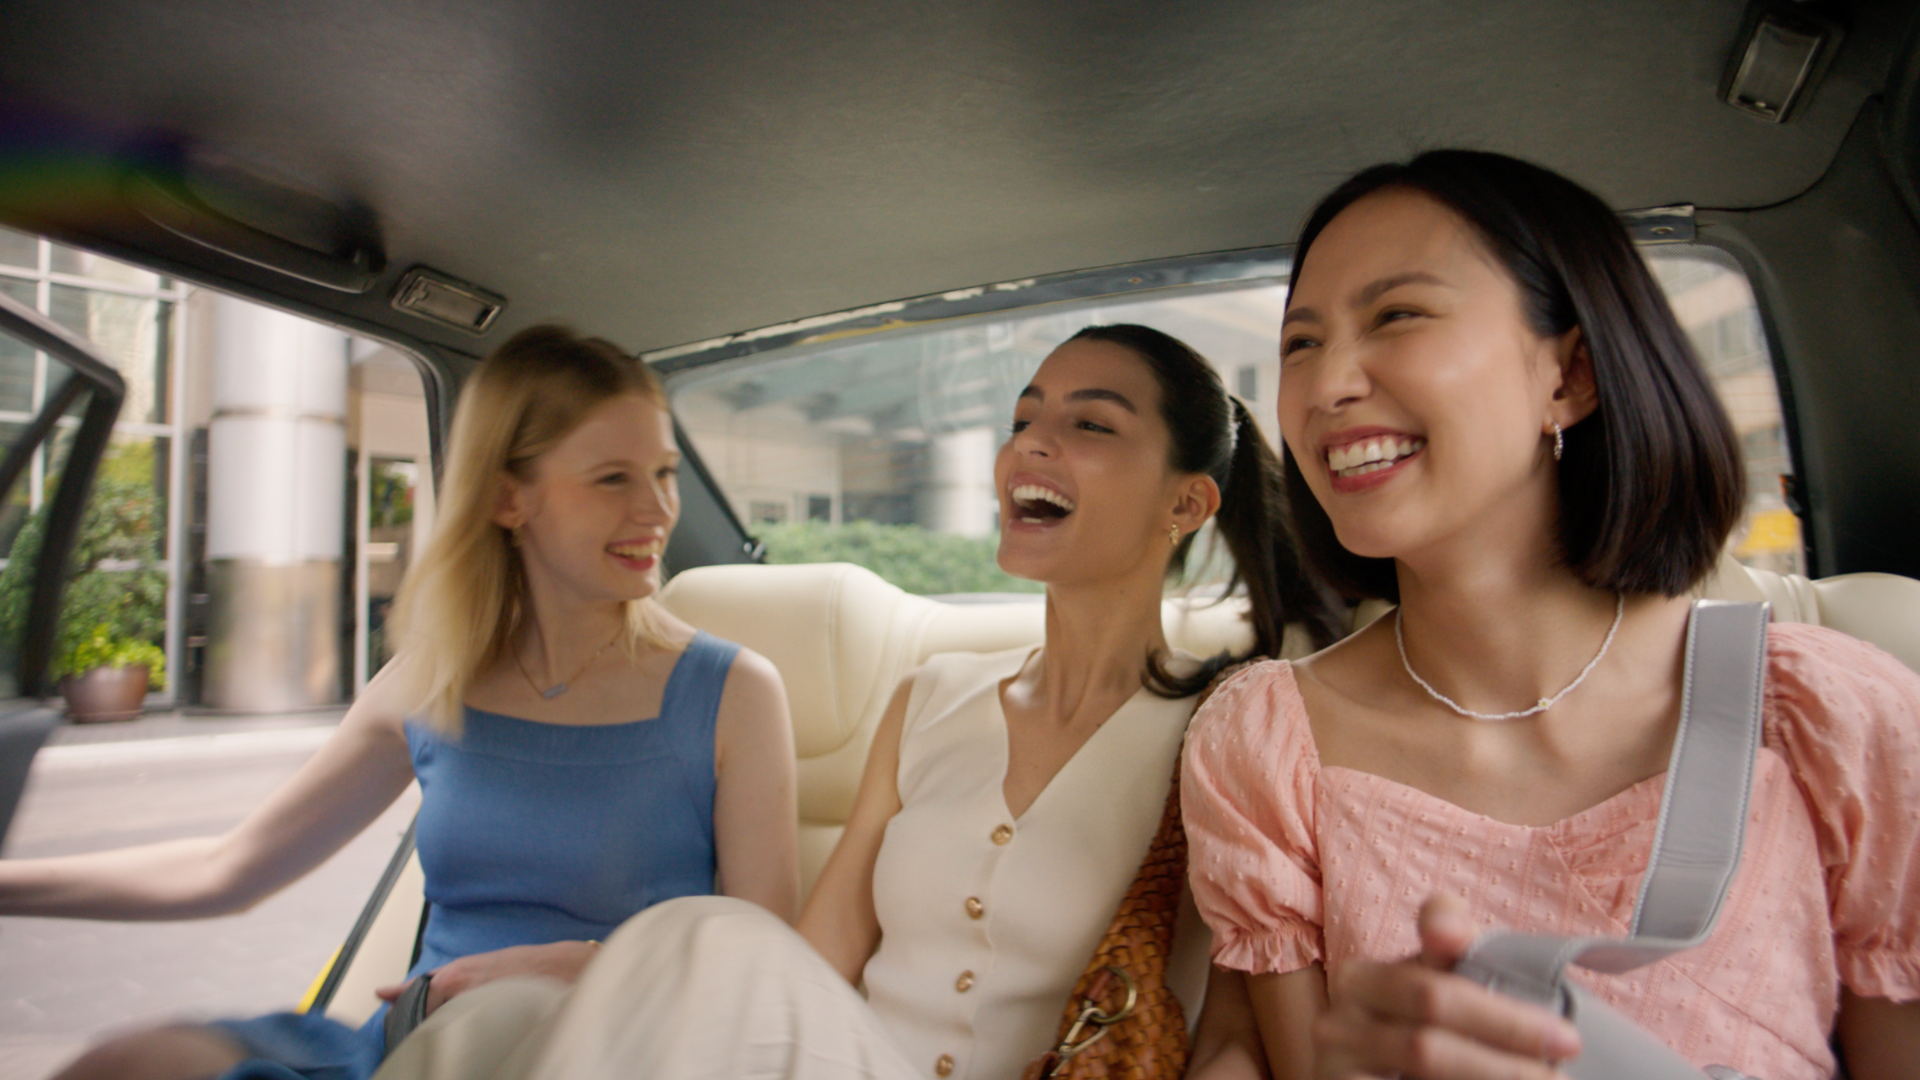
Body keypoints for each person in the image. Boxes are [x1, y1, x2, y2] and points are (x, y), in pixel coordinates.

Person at [365, 323, 1345, 1080]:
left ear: (1187, 504)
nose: (1028, 449)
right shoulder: (931, 700)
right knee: (500, 1021)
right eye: (1021, 421)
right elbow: (813, 960)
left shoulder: (1230, 727)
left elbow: (1234, 1031)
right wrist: (556, 973)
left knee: (695, 933)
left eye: (1089, 425)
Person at [1180, 149, 1920, 1080]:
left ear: (1569, 376)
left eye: (1397, 315)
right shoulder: (1264, 747)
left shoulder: (1839, 719)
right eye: (1300, 342)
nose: (1326, 386)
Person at [0, 325, 800, 1080]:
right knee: (125, 1064)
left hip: (618, 1050)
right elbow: (228, 869)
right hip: (419, 1047)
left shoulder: (733, 693)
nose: (659, 508)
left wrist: (577, 964)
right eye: (613, 478)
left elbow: (769, 964)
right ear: (507, 499)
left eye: (663, 472)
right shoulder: (431, 682)